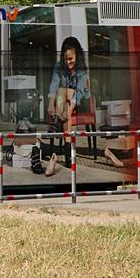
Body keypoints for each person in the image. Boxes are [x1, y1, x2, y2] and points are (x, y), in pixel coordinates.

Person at [45, 36, 90, 176]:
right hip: (63, 101)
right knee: (60, 92)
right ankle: (69, 153)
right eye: (66, 59)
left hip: (80, 100)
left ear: (77, 56)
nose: (68, 62)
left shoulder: (82, 69)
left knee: (63, 92)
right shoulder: (59, 67)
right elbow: (53, 84)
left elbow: (80, 91)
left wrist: (67, 110)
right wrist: (50, 103)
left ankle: (57, 123)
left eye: (71, 59)